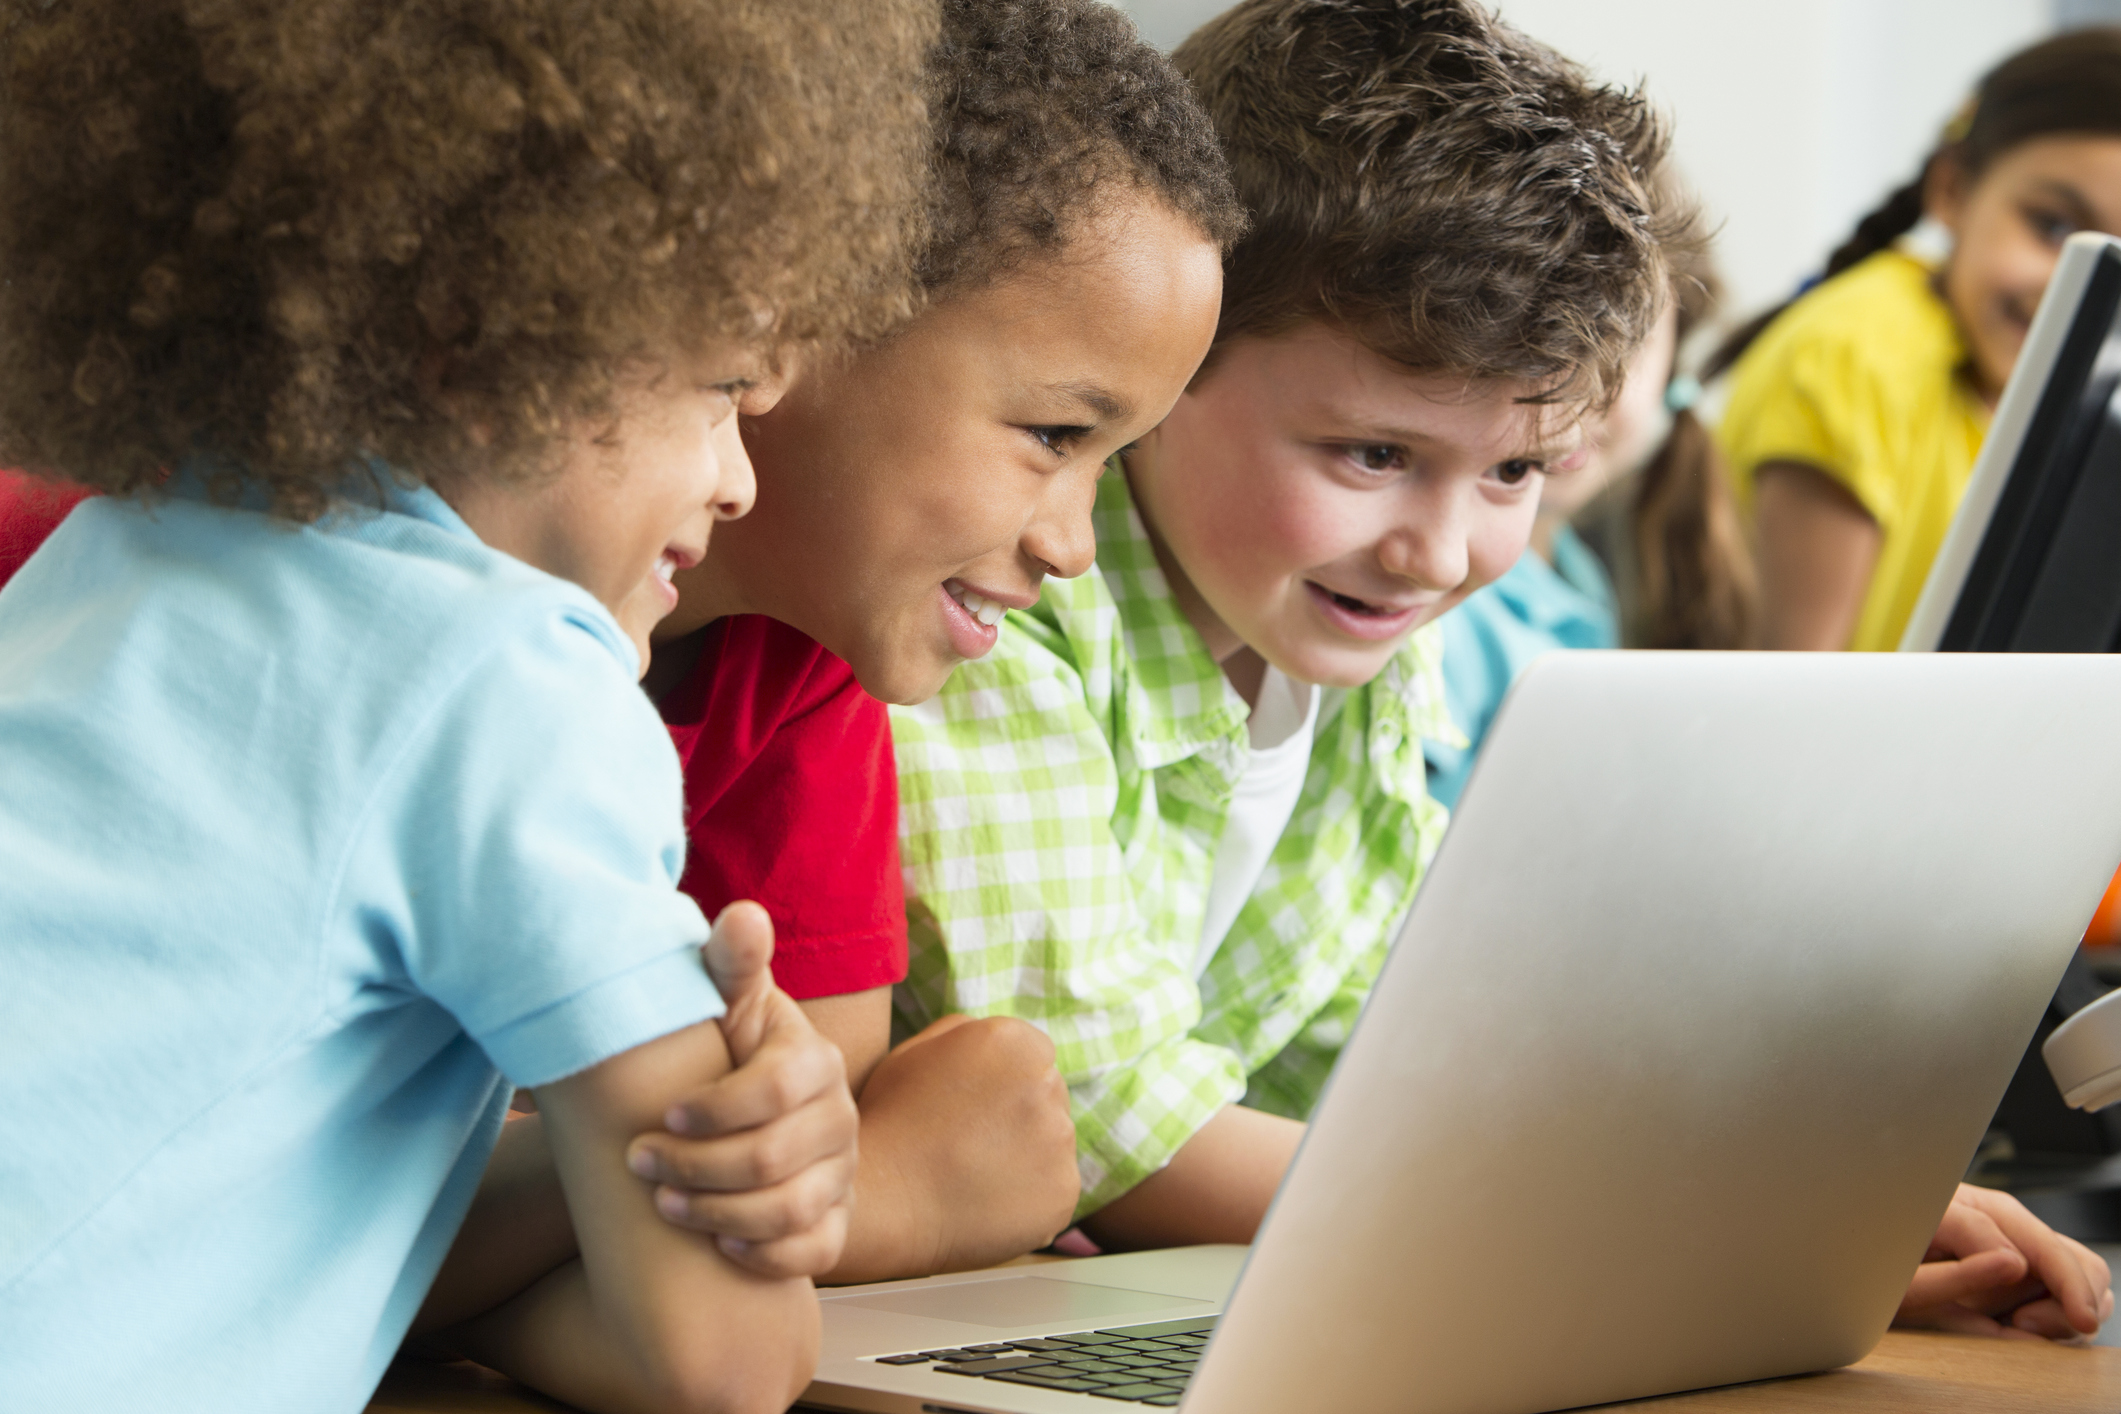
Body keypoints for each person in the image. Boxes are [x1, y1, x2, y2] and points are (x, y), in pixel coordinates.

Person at [889, 0, 2113, 1343]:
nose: (1442, 552)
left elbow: (1373, 1065)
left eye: (1514, 471)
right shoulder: (1003, 615)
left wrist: (1785, 1201)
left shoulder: (1351, 636)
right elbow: (1106, 1114)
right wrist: (1669, 1236)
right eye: (1370, 452)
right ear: (1172, 349)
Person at [0, 2, 931, 1411]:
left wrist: (640, 1150)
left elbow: (269, 1186)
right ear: (490, 343)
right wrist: (742, 1130)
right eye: (721, 388)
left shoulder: (110, 556)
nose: (738, 478)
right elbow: (723, 1365)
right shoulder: (514, 678)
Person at [645, 0, 1242, 1283]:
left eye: (1109, 460)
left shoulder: (813, 675)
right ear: (797, 310)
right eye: (1051, 435)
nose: (1076, 546)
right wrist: (893, 1199)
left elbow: (795, 1120)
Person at [1714, 28, 2121, 652]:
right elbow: (1793, 699)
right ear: (1953, 190)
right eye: (2054, 226)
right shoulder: (1854, 355)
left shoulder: (2044, 394)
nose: (2075, 291)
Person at [1426, 183, 1758, 808]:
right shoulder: (1433, 597)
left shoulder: (1582, 582)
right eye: (1536, 336)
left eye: (1619, 345)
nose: (1570, 391)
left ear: (1674, 368)